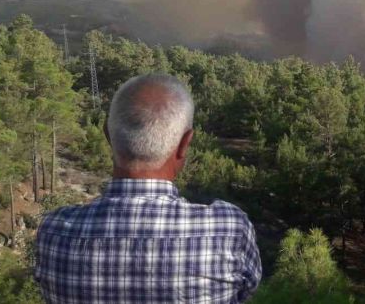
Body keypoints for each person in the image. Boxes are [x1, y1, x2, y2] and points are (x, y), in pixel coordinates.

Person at [35, 74, 261, 303]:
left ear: (107, 135)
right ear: (185, 144)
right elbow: (244, 293)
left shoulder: (54, 231)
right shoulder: (228, 229)